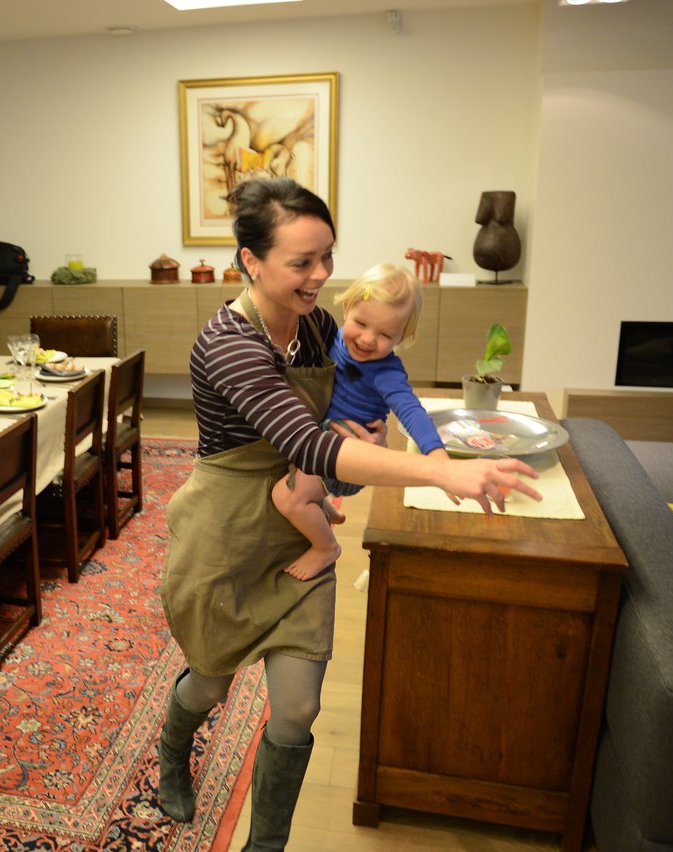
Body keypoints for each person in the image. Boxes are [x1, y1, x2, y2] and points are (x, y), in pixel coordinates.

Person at [158, 177, 540, 850]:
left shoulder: (320, 328)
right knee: (208, 688)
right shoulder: (227, 342)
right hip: (227, 533)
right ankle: (172, 752)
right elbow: (309, 442)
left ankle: (265, 845)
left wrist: (372, 444)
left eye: (327, 257)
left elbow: (346, 427)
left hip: (299, 531)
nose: (321, 276)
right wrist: (439, 470)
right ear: (251, 260)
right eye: (302, 262)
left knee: (298, 709)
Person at [271, 263, 448, 581]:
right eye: (361, 323)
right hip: (324, 442)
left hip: (350, 457)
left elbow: (412, 412)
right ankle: (326, 508)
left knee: (286, 498)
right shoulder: (334, 337)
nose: (367, 339)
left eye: (384, 335)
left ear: (402, 337)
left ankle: (326, 547)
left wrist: (438, 458)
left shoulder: (387, 373)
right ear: (348, 307)